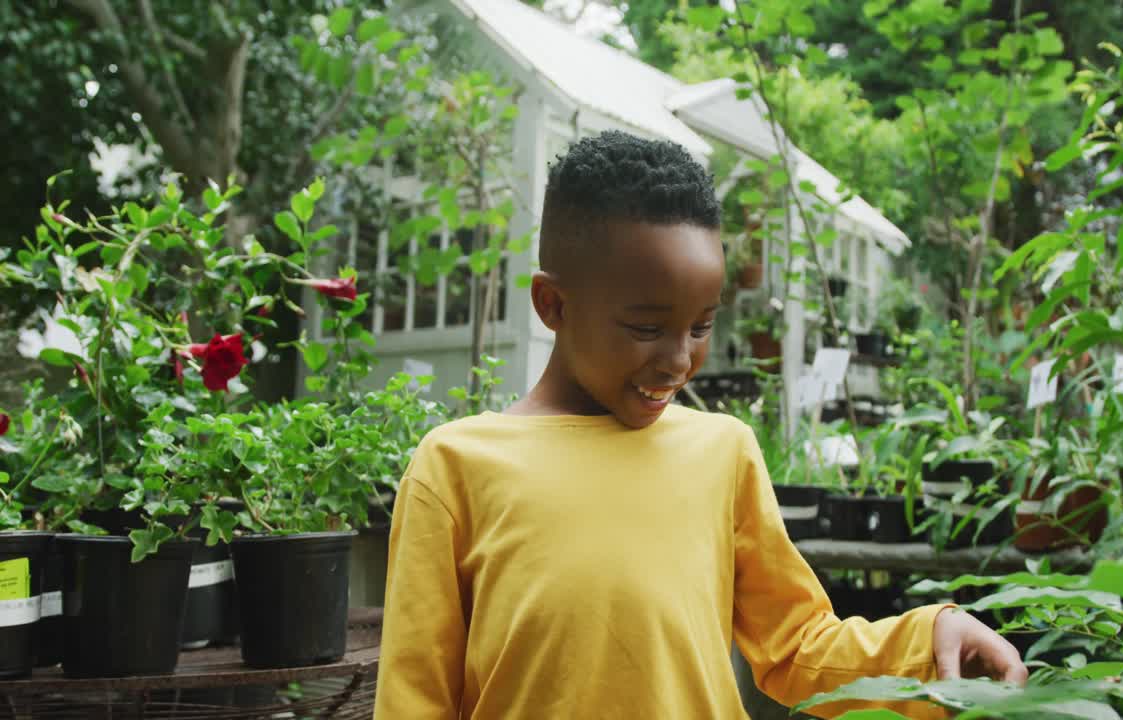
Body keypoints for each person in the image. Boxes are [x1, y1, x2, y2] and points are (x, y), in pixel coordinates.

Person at [374, 130, 1026, 719]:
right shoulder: (456, 466)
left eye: (702, 324)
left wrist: (923, 646)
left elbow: (798, 645)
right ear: (553, 304)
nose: (681, 359)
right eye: (647, 328)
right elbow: (415, 697)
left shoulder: (724, 452)